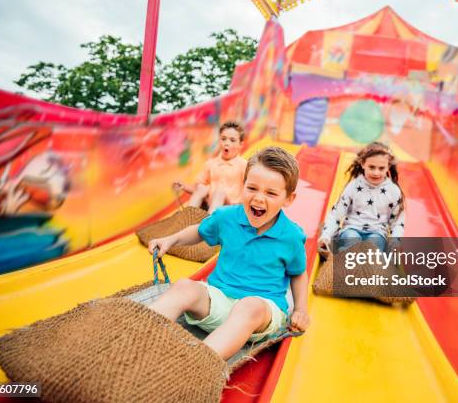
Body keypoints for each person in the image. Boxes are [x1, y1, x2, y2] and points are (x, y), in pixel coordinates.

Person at [149, 147, 310, 360]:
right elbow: (199, 232)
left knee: (248, 306)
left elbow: (298, 273)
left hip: (260, 312)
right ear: (243, 186)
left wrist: (301, 309)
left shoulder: (290, 236)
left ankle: (197, 364)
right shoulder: (226, 217)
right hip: (219, 299)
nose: (259, 199)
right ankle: (139, 334)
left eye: (271, 193)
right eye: (252, 188)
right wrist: (171, 239)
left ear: (289, 199)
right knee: (184, 286)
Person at [318, 142, 405, 256]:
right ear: (363, 163)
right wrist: (326, 236)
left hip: (377, 232)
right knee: (351, 241)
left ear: (388, 166)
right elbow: (336, 214)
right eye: (371, 167)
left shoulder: (393, 191)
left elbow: (397, 222)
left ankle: (369, 266)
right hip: (351, 229)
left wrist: (395, 242)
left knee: (373, 247)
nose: (376, 172)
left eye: (381, 168)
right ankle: (345, 260)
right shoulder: (353, 186)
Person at [173, 121, 247, 213]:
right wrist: (184, 187)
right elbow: (196, 189)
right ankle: (187, 217)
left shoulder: (243, 165)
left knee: (219, 193)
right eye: (223, 139)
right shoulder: (211, 164)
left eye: (232, 140)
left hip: (232, 208)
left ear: (240, 144)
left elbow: (250, 190)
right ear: (219, 140)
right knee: (202, 188)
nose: (226, 143)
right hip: (211, 204)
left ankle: (209, 223)